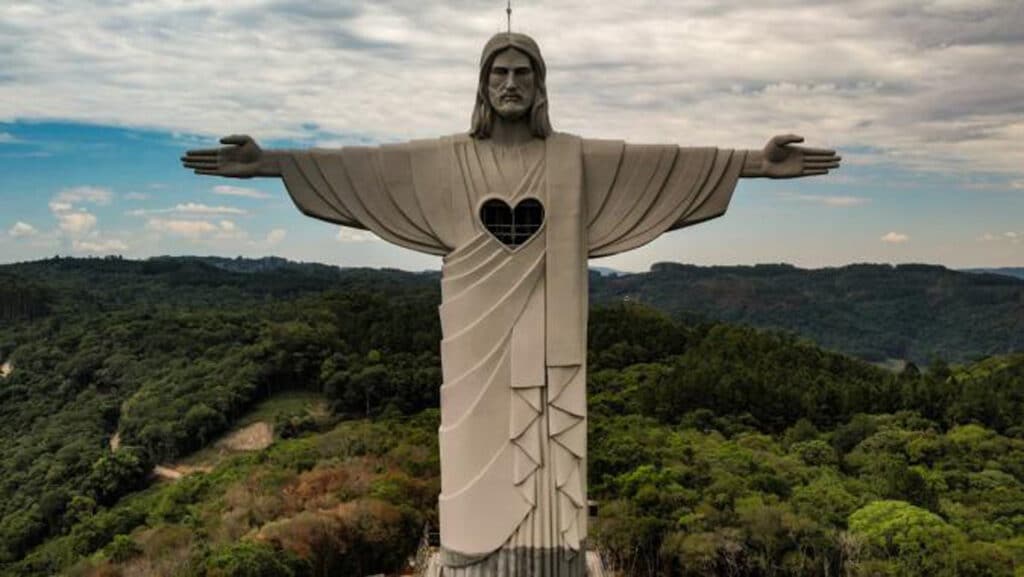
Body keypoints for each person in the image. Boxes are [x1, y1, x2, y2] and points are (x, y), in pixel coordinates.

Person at [182, 32, 839, 577]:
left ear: (541, 84)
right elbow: (362, 170)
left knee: (551, 449)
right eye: (499, 71)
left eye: (524, 71)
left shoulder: (574, 159)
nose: (512, 82)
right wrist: (270, 163)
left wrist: (754, 163)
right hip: (471, 333)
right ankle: (473, 552)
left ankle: (551, 550)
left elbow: (662, 167)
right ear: (483, 85)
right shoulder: (445, 161)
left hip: (552, 332)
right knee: (470, 449)